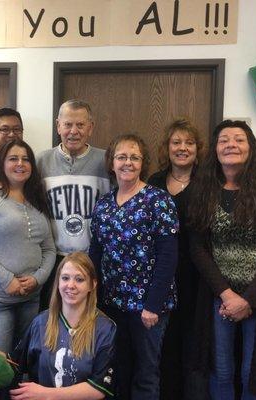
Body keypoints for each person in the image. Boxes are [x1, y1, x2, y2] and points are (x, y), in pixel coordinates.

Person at [188, 120, 256, 400]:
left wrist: (248, 300)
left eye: (239, 139)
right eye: (224, 140)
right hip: (219, 296)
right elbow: (197, 248)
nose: (231, 144)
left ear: (250, 148)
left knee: (253, 373)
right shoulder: (202, 190)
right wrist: (228, 295)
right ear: (216, 151)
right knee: (220, 370)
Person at [89, 133, 179, 400]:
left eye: (134, 157)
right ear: (112, 163)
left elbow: (168, 257)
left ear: (143, 163)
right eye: (121, 157)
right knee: (116, 369)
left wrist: (153, 304)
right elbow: (95, 252)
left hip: (148, 308)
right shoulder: (103, 204)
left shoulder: (158, 201)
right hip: (111, 303)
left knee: (146, 371)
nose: (127, 162)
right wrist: (91, 297)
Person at [0, 139, 56, 354]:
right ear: (2, 164)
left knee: (21, 362)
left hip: (30, 298)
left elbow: (49, 248)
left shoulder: (37, 198)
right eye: (13, 159)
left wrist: (37, 278)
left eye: (26, 159)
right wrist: (6, 280)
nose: (20, 164)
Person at [148, 118, 206, 400]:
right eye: (176, 142)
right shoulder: (154, 183)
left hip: (200, 277)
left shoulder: (210, 182)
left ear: (198, 149)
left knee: (194, 349)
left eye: (189, 143)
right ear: (167, 148)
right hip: (162, 277)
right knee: (164, 347)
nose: (182, 148)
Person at [10, 252, 116, 400]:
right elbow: (15, 365)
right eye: (65, 278)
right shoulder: (40, 323)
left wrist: (46, 394)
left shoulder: (105, 329)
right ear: (58, 282)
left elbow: (99, 388)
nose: (70, 285)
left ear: (92, 284)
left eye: (79, 279)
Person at [37, 99, 111, 311]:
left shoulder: (106, 161)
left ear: (91, 127)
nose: (73, 131)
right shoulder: (41, 161)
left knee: (93, 319)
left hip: (94, 258)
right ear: (58, 125)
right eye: (68, 124)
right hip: (53, 259)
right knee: (54, 318)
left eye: (80, 125)